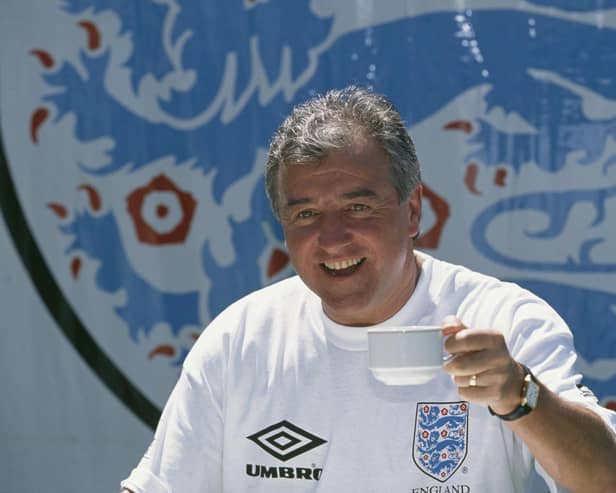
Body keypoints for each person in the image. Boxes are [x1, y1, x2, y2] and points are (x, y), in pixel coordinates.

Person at [121, 86, 616, 493]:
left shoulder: (502, 319)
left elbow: (604, 477)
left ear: (414, 210)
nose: (332, 238)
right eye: (306, 214)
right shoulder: (240, 338)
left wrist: (520, 395)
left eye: (359, 208)